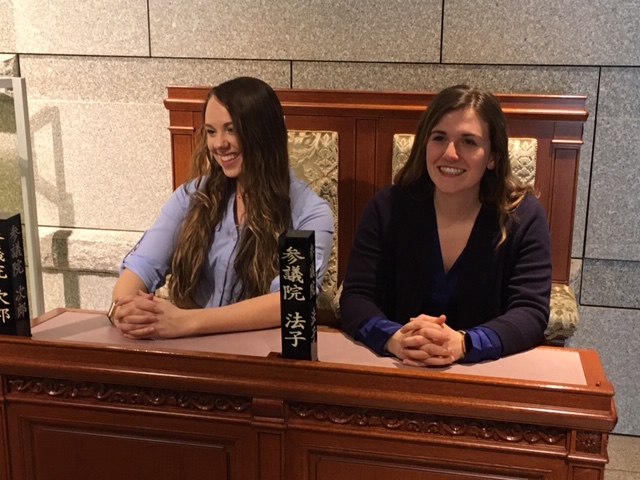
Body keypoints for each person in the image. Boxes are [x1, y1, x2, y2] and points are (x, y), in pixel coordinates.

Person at [339, 84, 552, 366]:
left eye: (469, 142)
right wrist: (396, 339)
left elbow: (531, 311)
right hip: (397, 368)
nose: (450, 153)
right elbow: (356, 297)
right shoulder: (386, 207)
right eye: (439, 138)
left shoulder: (523, 216)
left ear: (493, 157)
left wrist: (464, 343)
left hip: (486, 374)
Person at [109, 76, 334, 339]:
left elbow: (289, 300)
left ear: (264, 132)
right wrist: (124, 310)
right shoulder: (191, 196)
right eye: (211, 131)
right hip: (188, 350)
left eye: (231, 129)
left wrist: (187, 322)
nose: (219, 144)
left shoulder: (310, 213)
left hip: (259, 357)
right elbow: (142, 265)